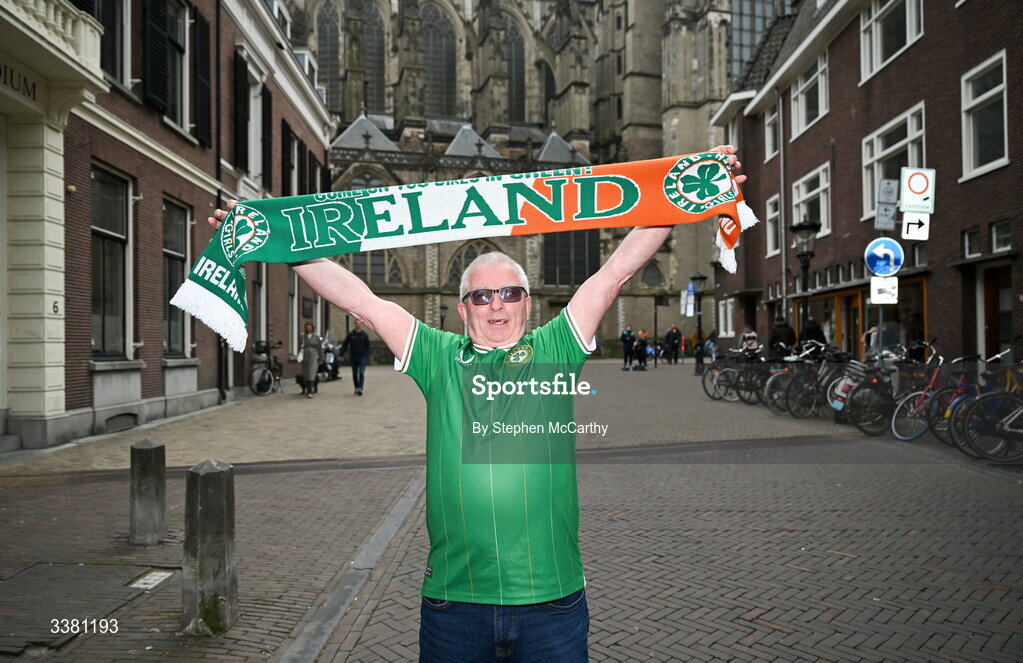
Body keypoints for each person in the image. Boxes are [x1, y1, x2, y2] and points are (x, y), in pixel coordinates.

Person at [209, 145, 745, 661]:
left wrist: (694, 187)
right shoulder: (438, 357)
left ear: (527, 305)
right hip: (455, 605)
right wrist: (268, 235)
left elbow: (616, 271)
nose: (496, 305)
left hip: (552, 601)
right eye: (481, 296)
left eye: (509, 293)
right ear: (463, 310)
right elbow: (359, 298)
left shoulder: (557, 348)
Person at [339, 319, 371, 395]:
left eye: (360, 324)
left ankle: (360, 388)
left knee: (361, 373)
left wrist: (366, 355)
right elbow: (345, 345)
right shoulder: (350, 335)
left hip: (362, 357)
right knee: (355, 374)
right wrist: (340, 355)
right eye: (357, 323)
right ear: (354, 324)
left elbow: (367, 347)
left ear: (361, 325)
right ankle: (356, 387)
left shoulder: (365, 335)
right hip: (353, 357)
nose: (358, 325)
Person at [299, 322, 323, 398]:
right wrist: (301, 347)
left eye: (310, 327)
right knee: (306, 374)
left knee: (311, 373)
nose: (308, 329)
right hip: (305, 356)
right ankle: (308, 389)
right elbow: (299, 346)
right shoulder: (302, 336)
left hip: (314, 356)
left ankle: (310, 391)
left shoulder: (316, 336)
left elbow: (319, 347)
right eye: (307, 327)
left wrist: (321, 358)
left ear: (312, 328)